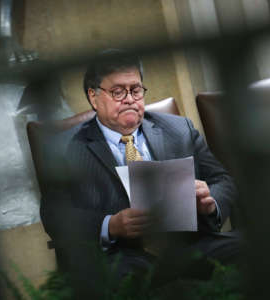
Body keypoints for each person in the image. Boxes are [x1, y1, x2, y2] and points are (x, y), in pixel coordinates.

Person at [40, 49, 240, 293]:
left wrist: (211, 202)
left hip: (189, 244)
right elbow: (54, 215)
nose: (129, 99)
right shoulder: (64, 149)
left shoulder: (179, 130)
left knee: (259, 247)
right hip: (121, 256)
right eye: (117, 92)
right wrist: (111, 224)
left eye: (135, 90)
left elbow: (222, 180)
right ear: (93, 97)